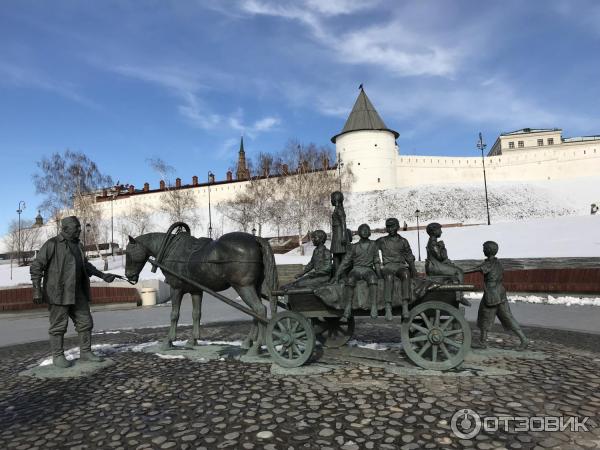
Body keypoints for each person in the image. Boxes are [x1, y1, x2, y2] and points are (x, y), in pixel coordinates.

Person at [30, 216, 118, 368]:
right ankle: (58, 356)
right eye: (76, 227)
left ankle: (85, 352)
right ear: (65, 229)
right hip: (58, 293)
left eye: (79, 226)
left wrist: (103, 275)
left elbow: (85, 266)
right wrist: (36, 289)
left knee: (86, 322)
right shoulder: (52, 244)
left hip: (77, 292)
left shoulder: (78, 245)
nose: (79, 229)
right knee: (58, 326)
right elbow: (36, 267)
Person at [464, 241, 528, 350]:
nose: (483, 250)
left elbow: (475, 269)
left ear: (488, 250)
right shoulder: (497, 263)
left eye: (484, 248)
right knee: (508, 317)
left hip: (492, 295)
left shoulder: (488, 264)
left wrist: (461, 271)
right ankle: (524, 339)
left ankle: (482, 342)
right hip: (500, 293)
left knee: (484, 316)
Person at [334, 224, 382, 319]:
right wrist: (337, 274)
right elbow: (346, 261)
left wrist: (379, 275)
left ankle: (373, 306)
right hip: (356, 269)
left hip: (368, 269)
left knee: (373, 279)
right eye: (362, 230)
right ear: (359, 233)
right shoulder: (354, 247)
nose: (364, 231)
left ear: (370, 232)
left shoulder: (374, 245)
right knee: (350, 279)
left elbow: (376, 261)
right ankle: (348, 306)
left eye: (366, 230)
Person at [376, 218, 416, 320]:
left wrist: (414, 271)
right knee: (389, 277)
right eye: (388, 226)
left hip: (400, 266)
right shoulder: (382, 241)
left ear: (397, 227)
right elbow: (369, 247)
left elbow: (409, 256)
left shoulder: (403, 241)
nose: (391, 229)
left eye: (393, 226)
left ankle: (405, 305)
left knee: (406, 274)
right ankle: (388, 307)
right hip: (388, 266)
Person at [425, 222, 471, 307]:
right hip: (434, 267)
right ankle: (459, 296)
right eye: (439, 230)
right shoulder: (433, 243)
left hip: (435, 265)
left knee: (455, 269)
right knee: (458, 271)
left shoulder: (434, 242)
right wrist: (442, 247)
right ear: (434, 231)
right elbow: (441, 257)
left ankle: (457, 294)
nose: (441, 232)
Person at [330, 191, 348, 277]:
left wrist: (344, 236)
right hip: (337, 233)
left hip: (340, 233)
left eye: (332, 198)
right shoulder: (337, 209)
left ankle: (342, 275)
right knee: (336, 255)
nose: (331, 200)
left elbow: (343, 223)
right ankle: (337, 275)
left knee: (341, 255)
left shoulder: (339, 210)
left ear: (335, 199)